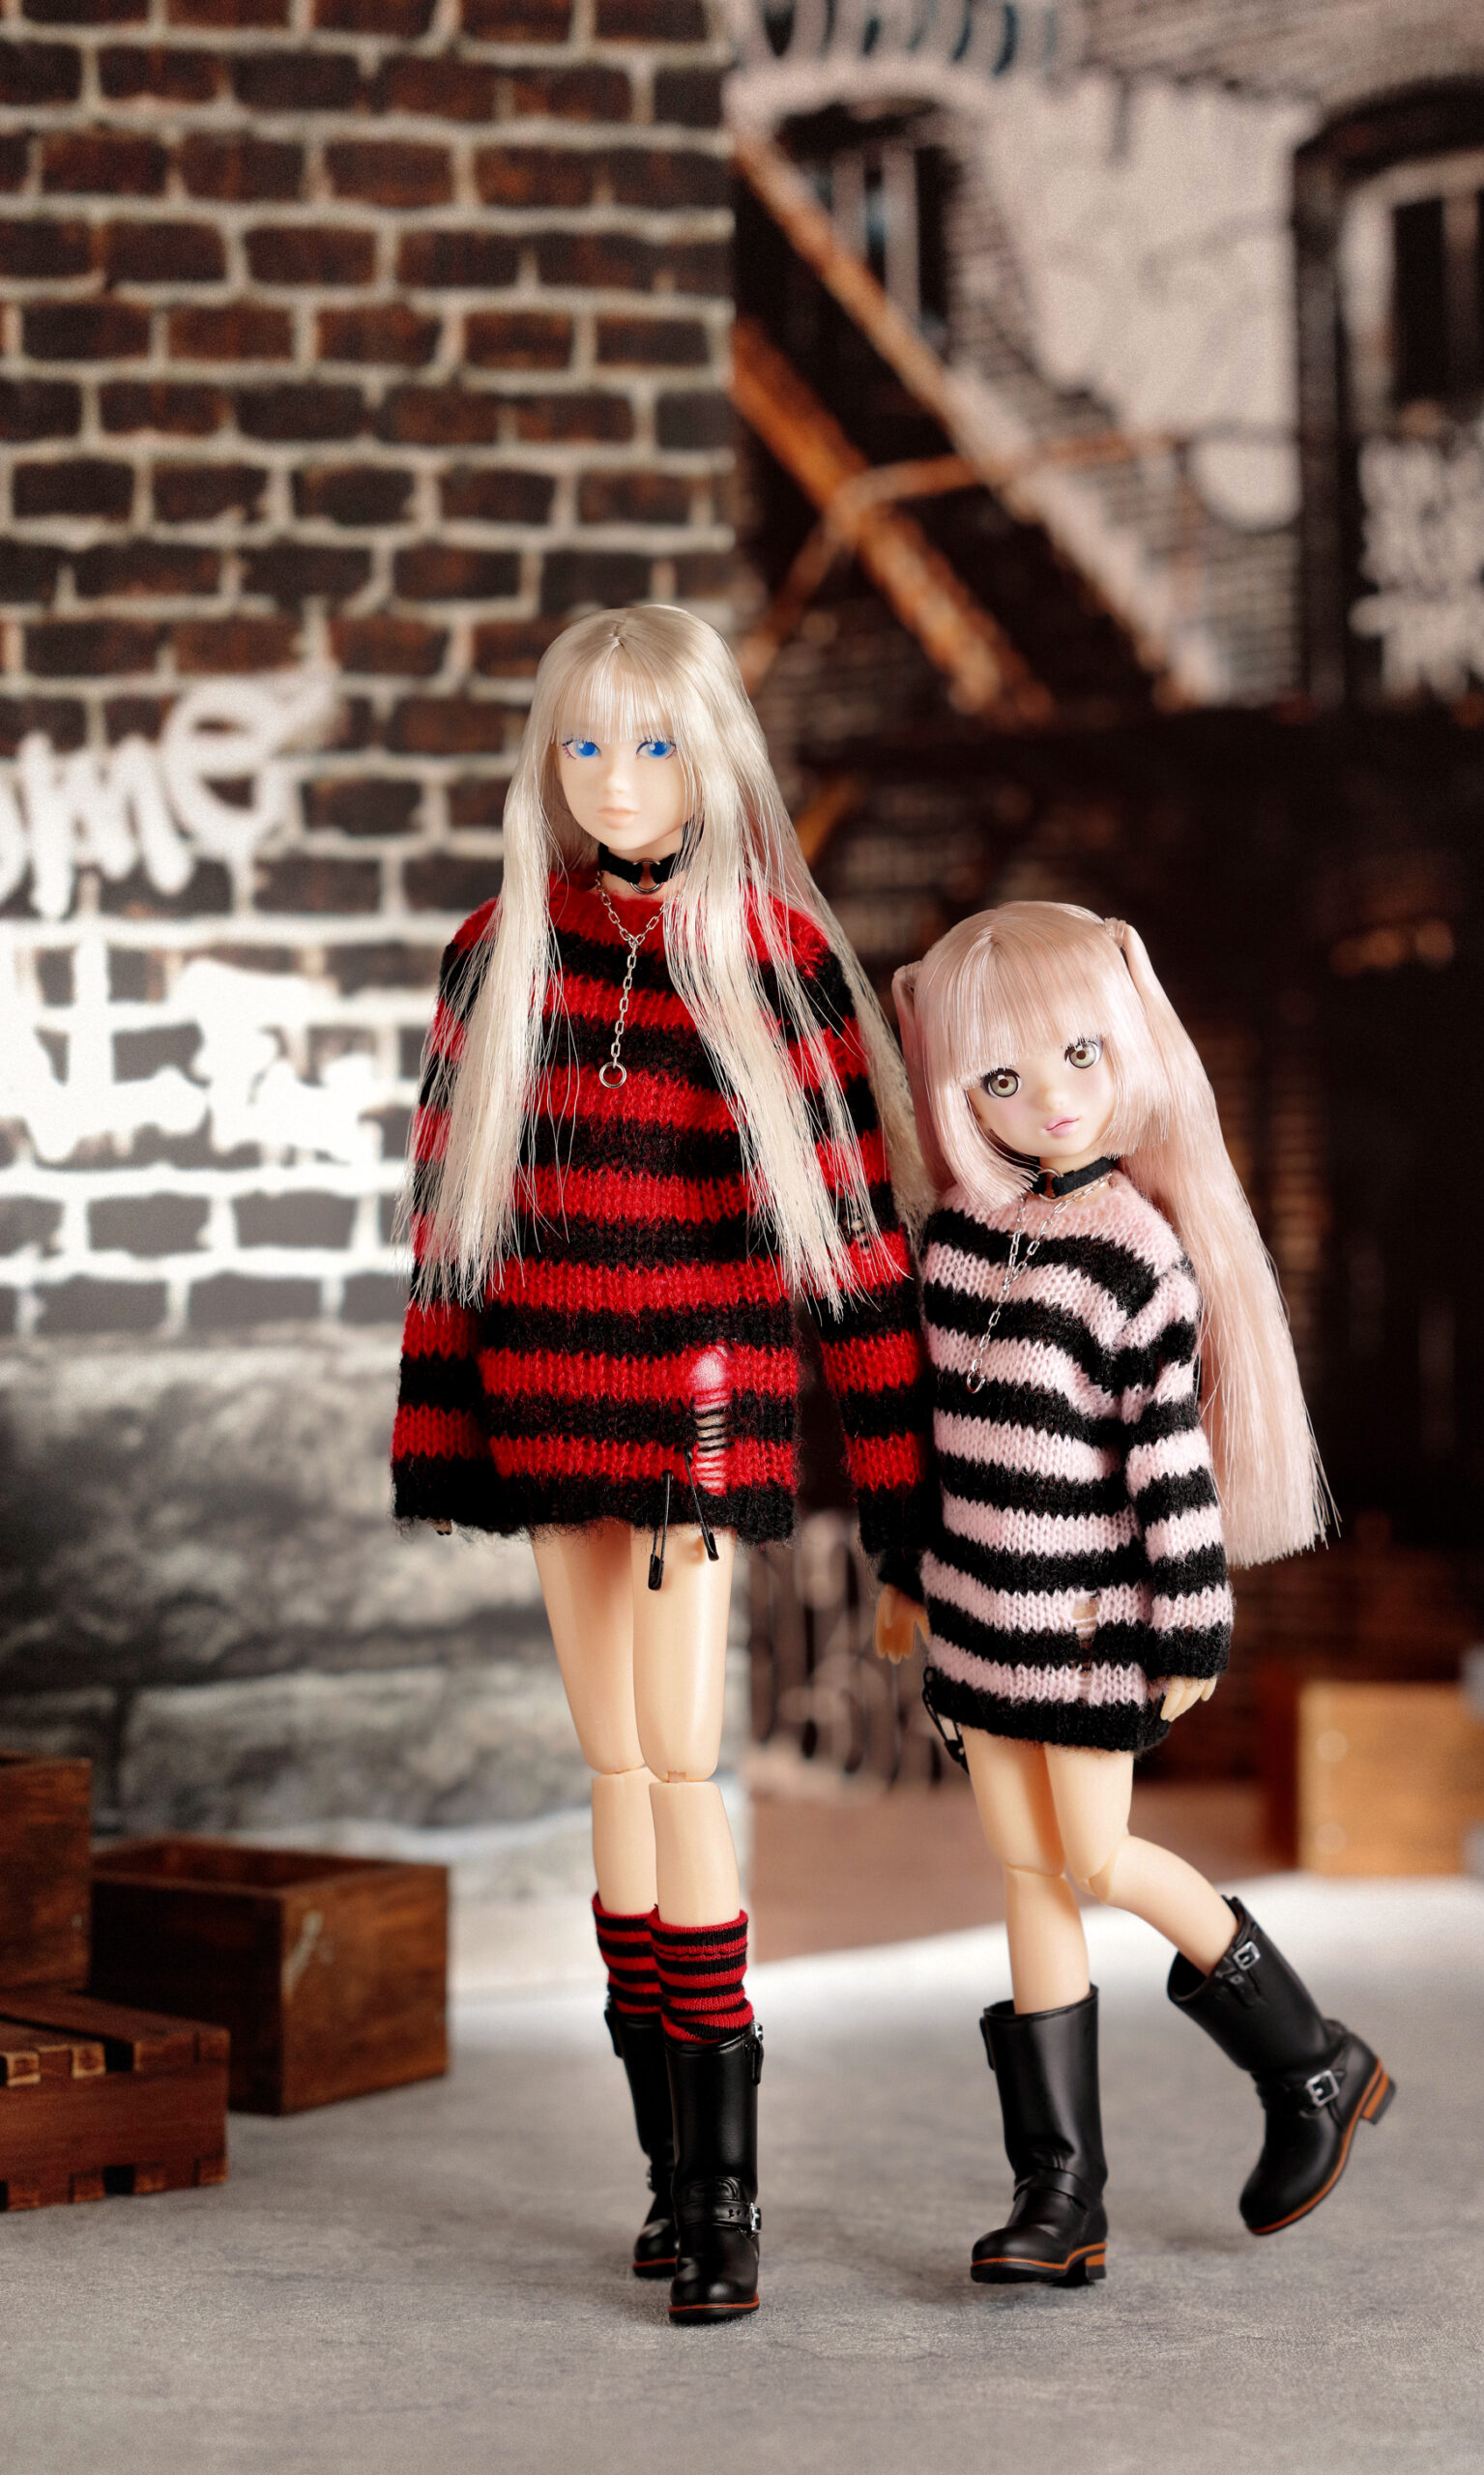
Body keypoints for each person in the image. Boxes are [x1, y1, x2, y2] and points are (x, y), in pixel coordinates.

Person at [392, 604, 930, 2323]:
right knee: (616, 1773)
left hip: (698, 1412)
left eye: (650, 745)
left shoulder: (766, 957)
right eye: (583, 745)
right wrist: (441, 1439)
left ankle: (721, 2191)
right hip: (544, 1407)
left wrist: (903, 1499)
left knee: (677, 1768)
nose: (616, 780)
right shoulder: (498, 953)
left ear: (712, 759)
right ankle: (663, 2172)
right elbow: (446, 1239)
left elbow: (856, 1252)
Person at [889, 899, 1392, 2285]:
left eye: (1079, 1057)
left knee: (1100, 1859)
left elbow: (1165, 1458)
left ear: (1129, 1047)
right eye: (1002, 1077)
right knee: (1024, 1869)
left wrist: (1190, 1619)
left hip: (1086, 1624)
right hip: (975, 1618)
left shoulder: (1134, 1254)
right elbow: (936, 1448)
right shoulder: (951, 1243)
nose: (1050, 1101)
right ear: (959, 1091)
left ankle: (1310, 2061)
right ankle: (1060, 2190)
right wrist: (905, 1580)